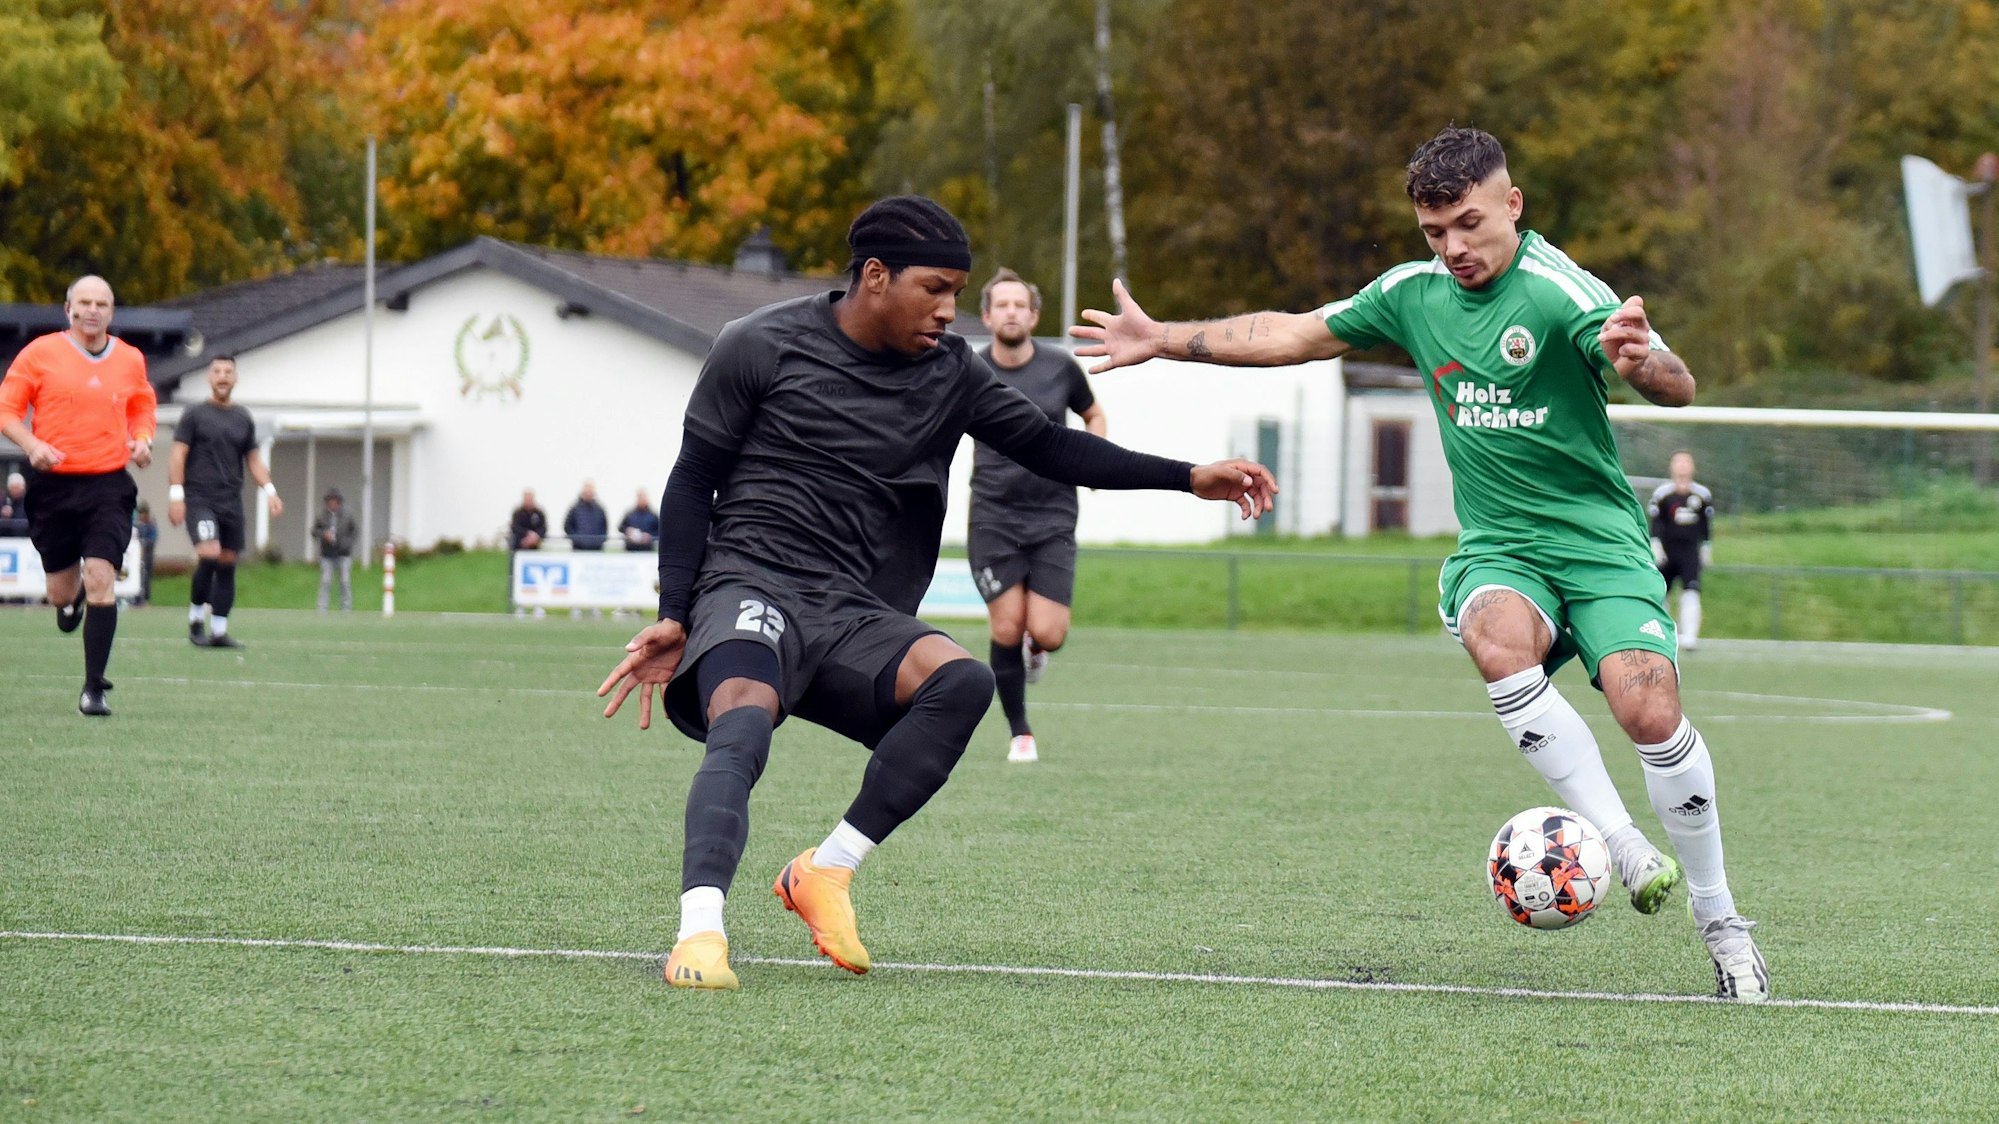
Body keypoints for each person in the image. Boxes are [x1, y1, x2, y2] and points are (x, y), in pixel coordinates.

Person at [1073, 127, 1767, 1002]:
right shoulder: (1413, 293)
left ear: (1511, 206)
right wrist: (1163, 337)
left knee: (1648, 709)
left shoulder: (1560, 293)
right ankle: (1620, 841)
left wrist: (1643, 362)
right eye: (1433, 232)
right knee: (1493, 638)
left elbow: (1673, 381)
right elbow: (1294, 332)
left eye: (1468, 224)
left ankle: (1721, 925)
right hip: (1501, 547)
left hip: (1598, 546)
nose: (1453, 248)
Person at [597, 195, 1277, 991]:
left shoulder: (952, 371)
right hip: (750, 581)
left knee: (962, 681)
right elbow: (692, 479)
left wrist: (1186, 477)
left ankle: (826, 870)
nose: (951, 311)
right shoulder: (757, 345)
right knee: (742, 720)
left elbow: (1049, 445)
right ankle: (699, 932)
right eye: (936, 289)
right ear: (875, 276)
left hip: (851, 607)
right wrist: (675, 610)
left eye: (959, 291)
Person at [0, 274, 157, 716]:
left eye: (101, 304)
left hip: (108, 482)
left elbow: (142, 405)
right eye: (84, 302)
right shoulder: (40, 354)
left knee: (102, 575)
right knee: (61, 593)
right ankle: (72, 603)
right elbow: (7, 409)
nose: (92, 310)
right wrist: (32, 446)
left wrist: (142, 437)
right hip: (53, 483)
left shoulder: (129, 359)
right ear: (68, 309)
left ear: (111, 311)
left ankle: (94, 688)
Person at [969, 268, 1108, 764]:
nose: (1010, 311)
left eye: (1019, 304)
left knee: (1047, 632)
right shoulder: (970, 372)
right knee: (1006, 627)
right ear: (987, 316)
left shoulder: (1061, 368)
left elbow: (1093, 414)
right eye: (1000, 304)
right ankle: (1020, 732)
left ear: (1034, 315)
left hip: (1052, 515)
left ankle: (1037, 650)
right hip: (992, 516)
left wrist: (1095, 457)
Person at [169, 355, 281, 648]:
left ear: (235, 378)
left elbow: (253, 459)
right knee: (209, 553)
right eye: (217, 371)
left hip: (231, 500)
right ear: (209, 377)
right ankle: (195, 619)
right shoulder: (194, 414)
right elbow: (178, 454)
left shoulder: (242, 417)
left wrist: (269, 490)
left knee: (228, 563)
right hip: (199, 498)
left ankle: (219, 631)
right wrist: (176, 494)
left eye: (228, 372)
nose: (222, 376)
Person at [1649, 451, 1713, 651]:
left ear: (1693, 467)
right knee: (1661, 594)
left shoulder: (1702, 495)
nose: (1683, 466)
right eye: (1679, 462)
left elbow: (1706, 526)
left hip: (1689, 553)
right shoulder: (1662, 494)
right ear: (1672, 467)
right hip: (1667, 553)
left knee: (1691, 592)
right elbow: (1655, 523)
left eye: (1687, 462)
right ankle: (1663, 635)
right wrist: (1655, 544)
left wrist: (1706, 547)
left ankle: (1689, 638)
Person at [314, 487, 358, 612]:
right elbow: (314, 531)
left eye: (334, 501)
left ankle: (346, 608)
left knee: (344, 581)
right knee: (325, 581)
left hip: (343, 554)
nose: (332, 504)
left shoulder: (347, 515)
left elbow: (354, 531)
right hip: (327, 554)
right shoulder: (321, 516)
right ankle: (322, 608)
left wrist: (347, 544)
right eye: (330, 501)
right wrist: (324, 535)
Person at [564, 481, 608, 550]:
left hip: (596, 550)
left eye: (590, 491)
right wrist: (577, 540)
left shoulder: (600, 510)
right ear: (582, 492)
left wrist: (599, 541)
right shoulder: (574, 509)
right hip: (579, 550)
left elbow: (604, 528)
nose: (589, 493)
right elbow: (567, 527)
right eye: (587, 491)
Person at [133, 500, 158, 606]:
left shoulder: (151, 525)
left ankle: (145, 598)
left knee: (146, 576)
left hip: (147, 555)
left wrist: (145, 543)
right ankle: (135, 598)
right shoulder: (136, 525)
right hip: (136, 556)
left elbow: (153, 538)